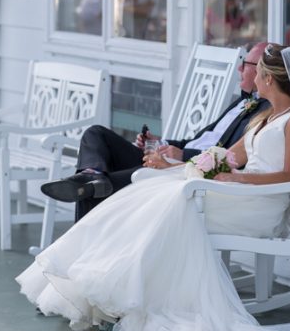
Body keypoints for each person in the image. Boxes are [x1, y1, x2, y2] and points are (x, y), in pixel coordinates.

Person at [16, 45, 290, 331]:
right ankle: (104, 289)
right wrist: (183, 166)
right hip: (234, 190)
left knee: (168, 198)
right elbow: (228, 156)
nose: (250, 77)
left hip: (257, 203)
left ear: (269, 78)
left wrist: (237, 179)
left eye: (256, 72)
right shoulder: (264, 117)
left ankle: (125, 294)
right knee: (149, 190)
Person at [40, 41, 270, 220]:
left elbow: (231, 158)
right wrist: (162, 143)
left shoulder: (265, 113)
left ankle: (83, 244)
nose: (239, 68)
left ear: (263, 71)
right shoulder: (243, 102)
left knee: (94, 189)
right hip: (169, 158)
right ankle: (91, 173)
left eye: (246, 64)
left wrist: (182, 156)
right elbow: (199, 140)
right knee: (96, 134)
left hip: (184, 171)